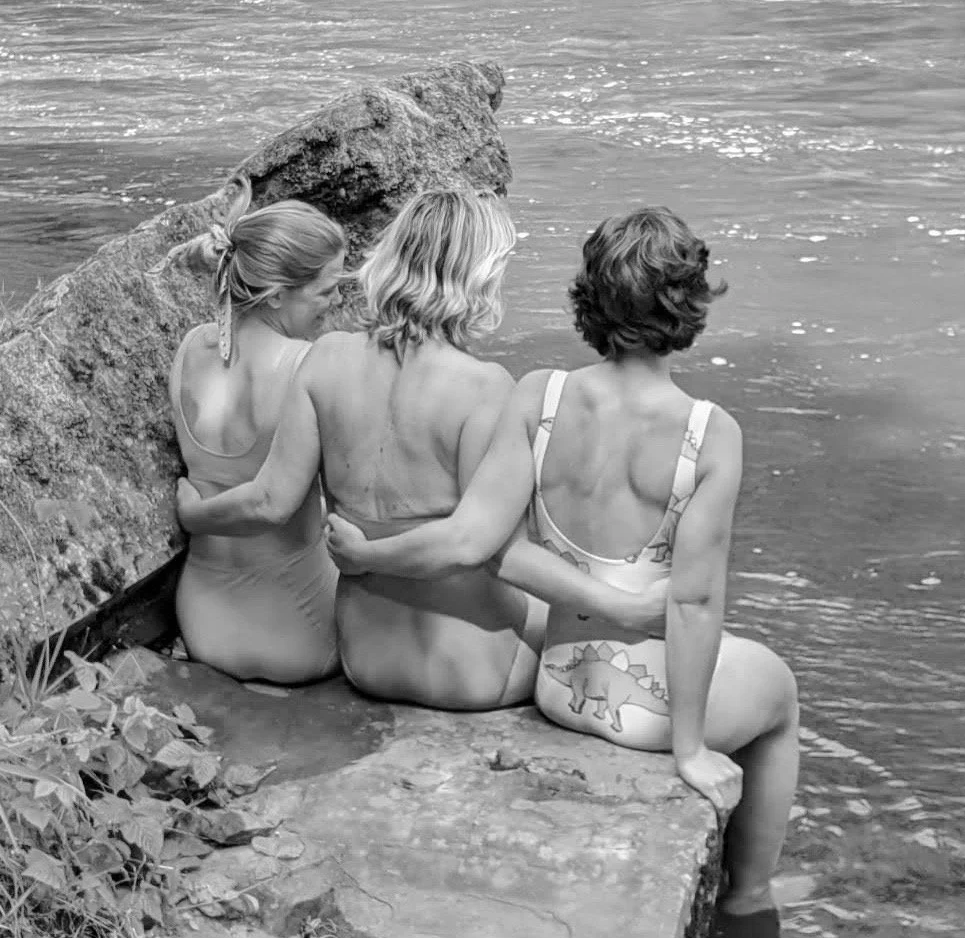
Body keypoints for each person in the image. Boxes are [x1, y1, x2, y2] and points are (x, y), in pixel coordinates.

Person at [327, 206, 799, 938]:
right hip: (644, 710)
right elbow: (697, 600)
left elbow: (497, 548)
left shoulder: (539, 394)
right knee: (779, 696)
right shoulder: (708, 431)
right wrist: (690, 749)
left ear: (589, 300)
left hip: (558, 683)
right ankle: (748, 900)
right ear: (690, 304)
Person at [176, 189, 672, 711]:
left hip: (365, 659)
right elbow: (477, 548)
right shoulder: (487, 387)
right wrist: (625, 607)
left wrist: (199, 515)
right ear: (478, 277)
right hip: (470, 671)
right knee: (585, 599)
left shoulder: (324, 359)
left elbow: (273, 497)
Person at [162, 176, 346, 684]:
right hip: (299, 632)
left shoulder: (189, 348)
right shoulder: (308, 365)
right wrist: (195, 518)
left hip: (202, 622)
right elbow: (272, 503)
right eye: (326, 290)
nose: (333, 303)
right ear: (274, 296)